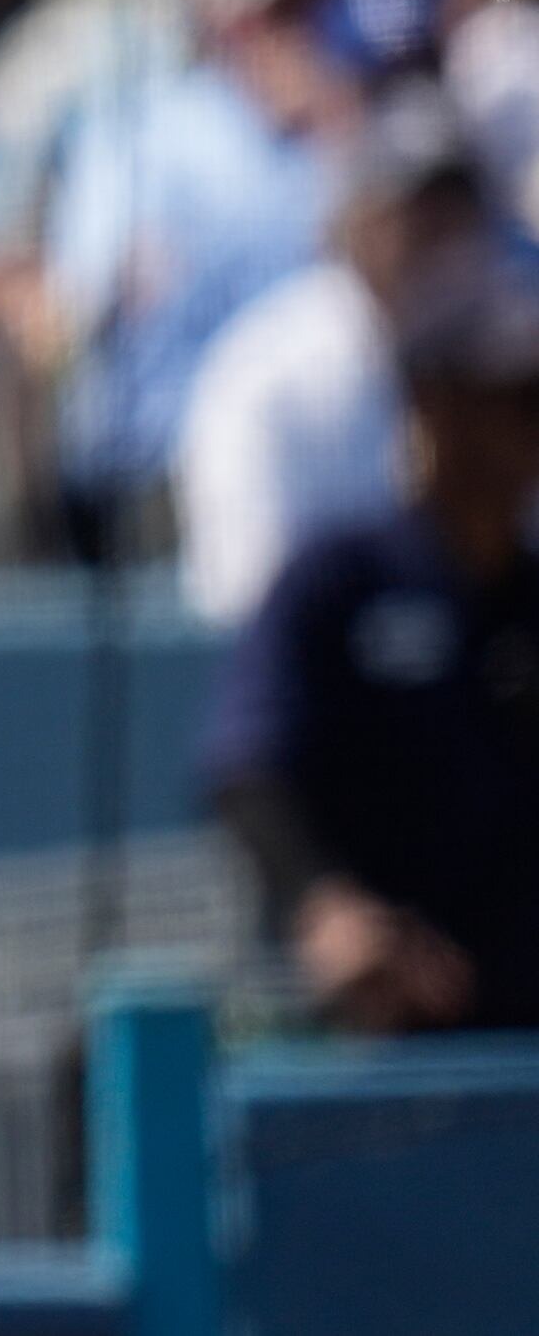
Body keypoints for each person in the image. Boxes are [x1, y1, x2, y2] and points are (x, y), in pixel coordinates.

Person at [206, 263, 539, 1035]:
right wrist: (328, 908)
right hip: (374, 1039)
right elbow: (248, 765)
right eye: (517, 396)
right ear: (433, 398)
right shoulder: (337, 582)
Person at [173, 88, 500, 627]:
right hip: (323, 685)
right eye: (419, 214)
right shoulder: (268, 372)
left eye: (458, 212)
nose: (444, 239)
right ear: (361, 221)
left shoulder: (501, 362)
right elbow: (247, 591)